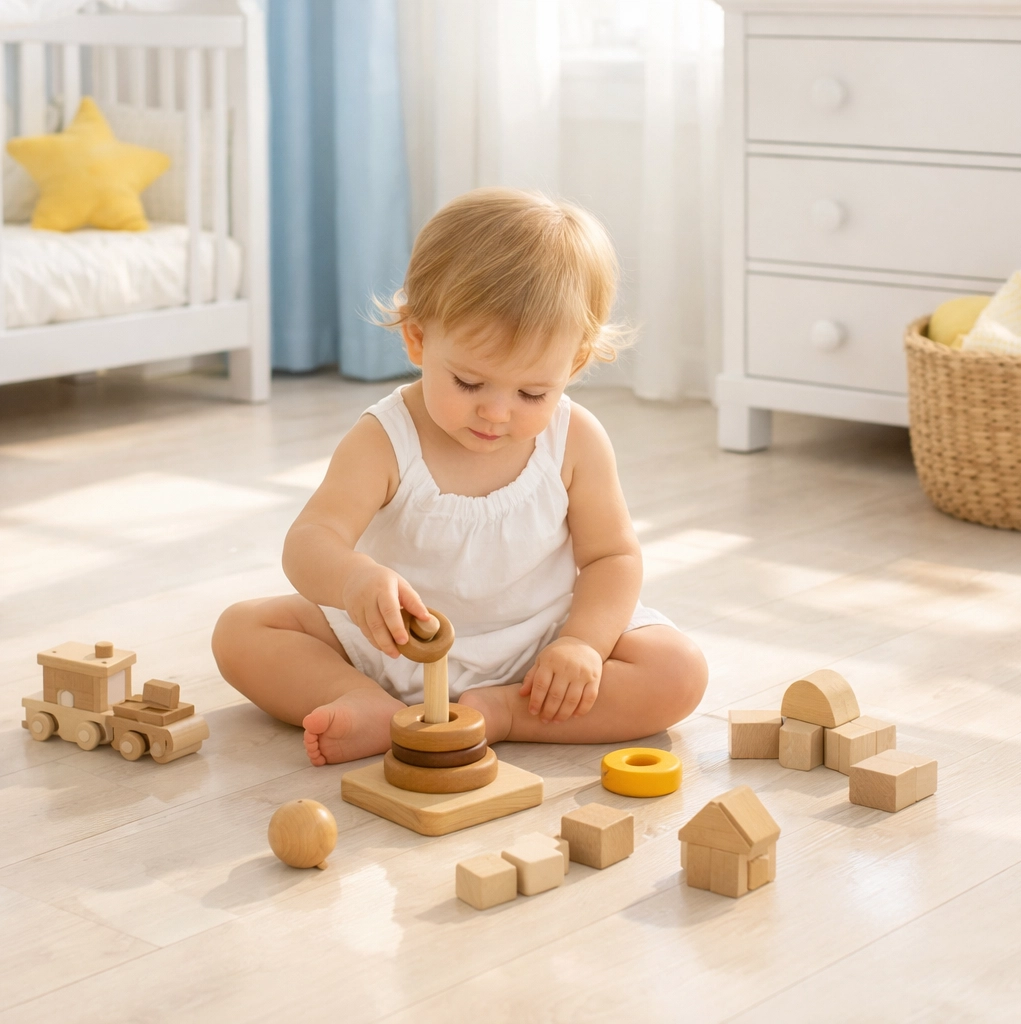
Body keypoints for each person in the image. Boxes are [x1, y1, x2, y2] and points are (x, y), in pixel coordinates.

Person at [212, 187, 708, 765]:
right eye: (469, 383)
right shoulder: (385, 439)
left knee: (678, 670)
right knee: (242, 631)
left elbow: (612, 558)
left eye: (532, 392)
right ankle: (362, 701)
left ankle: (500, 714)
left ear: (573, 366)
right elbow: (310, 541)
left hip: (538, 652)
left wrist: (582, 645)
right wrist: (354, 581)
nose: (497, 412)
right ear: (418, 339)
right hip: (390, 648)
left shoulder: (575, 439)